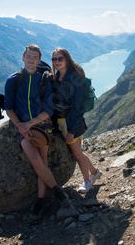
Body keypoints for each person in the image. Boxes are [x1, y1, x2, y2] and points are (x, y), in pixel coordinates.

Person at [4, 44, 70, 224]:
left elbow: (48, 110)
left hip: (41, 124)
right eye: (28, 56)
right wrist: (20, 126)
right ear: (23, 58)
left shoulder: (44, 80)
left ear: (39, 60)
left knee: (43, 162)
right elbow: (8, 107)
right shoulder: (13, 80)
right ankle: (58, 192)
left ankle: (39, 201)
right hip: (22, 127)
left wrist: (28, 124)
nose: (31, 60)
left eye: (35, 57)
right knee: (35, 160)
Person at [51, 47, 102, 194]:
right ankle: (94, 172)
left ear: (67, 59)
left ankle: (87, 181)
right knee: (78, 151)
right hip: (60, 121)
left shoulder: (75, 79)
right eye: (54, 59)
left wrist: (71, 131)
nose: (57, 62)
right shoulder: (56, 78)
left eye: (60, 58)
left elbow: (78, 108)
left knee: (77, 154)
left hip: (72, 122)